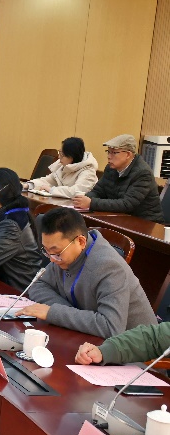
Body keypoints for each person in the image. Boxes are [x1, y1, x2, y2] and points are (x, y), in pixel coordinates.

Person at [19, 207, 154, 339]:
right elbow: (38, 285)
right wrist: (67, 313)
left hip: (137, 346)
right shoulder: (65, 254)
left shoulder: (109, 266)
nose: (52, 259)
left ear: (81, 241)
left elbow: (111, 327)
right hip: (89, 338)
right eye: (46, 251)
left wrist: (53, 313)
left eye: (57, 253)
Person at [73, 134, 161, 221]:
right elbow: (98, 191)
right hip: (120, 218)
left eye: (114, 153)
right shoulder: (111, 168)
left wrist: (91, 203)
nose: (109, 156)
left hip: (145, 222)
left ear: (128, 155)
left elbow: (127, 204)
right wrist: (83, 200)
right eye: (108, 152)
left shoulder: (143, 173)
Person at [28, 137, 98, 199]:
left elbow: (76, 191)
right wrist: (29, 185)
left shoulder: (88, 172)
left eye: (62, 155)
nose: (59, 157)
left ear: (72, 156)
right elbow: (48, 180)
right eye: (60, 153)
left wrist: (51, 190)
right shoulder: (64, 165)